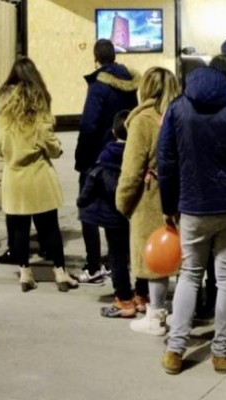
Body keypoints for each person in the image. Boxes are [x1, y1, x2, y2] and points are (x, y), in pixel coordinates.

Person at [158, 55, 226, 375]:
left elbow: (166, 161)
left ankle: (175, 349)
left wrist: (168, 206)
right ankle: (221, 353)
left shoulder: (178, 107)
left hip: (192, 206)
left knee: (190, 276)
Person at [0, 57, 79, 292]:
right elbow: (52, 146)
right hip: (39, 176)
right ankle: (60, 273)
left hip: (14, 178)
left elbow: (0, 147)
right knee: (49, 227)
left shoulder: (4, 116)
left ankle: (25, 273)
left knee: (19, 229)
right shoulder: (39, 112)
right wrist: (57, 148)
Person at [116, 66, 181, 335]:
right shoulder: (180, 115)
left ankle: (155, 316)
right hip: (183, 195)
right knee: (180, 258)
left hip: (151, 195)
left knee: (156, 259)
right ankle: (179, 314)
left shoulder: (142, 120)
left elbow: (132, 170)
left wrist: (123, 201)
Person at [75, 39, 140, 284]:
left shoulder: (99, 84)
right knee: (120, 208)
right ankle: (119, 261)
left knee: (89, 208)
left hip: (98, 158)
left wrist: (82, 159)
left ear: (96, 58)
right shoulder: (131, 84)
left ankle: (94, 266)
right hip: (123, 152)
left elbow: (89, 124)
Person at [79, 110, 145, 315]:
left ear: (113, 132)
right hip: (135, 213)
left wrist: (82, 201)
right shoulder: (139, 155)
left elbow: (90, 186)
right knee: (139, 254)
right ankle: (142, 296)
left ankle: (124, 299)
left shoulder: (105, 156)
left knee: (117, 258)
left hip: (111, 216)